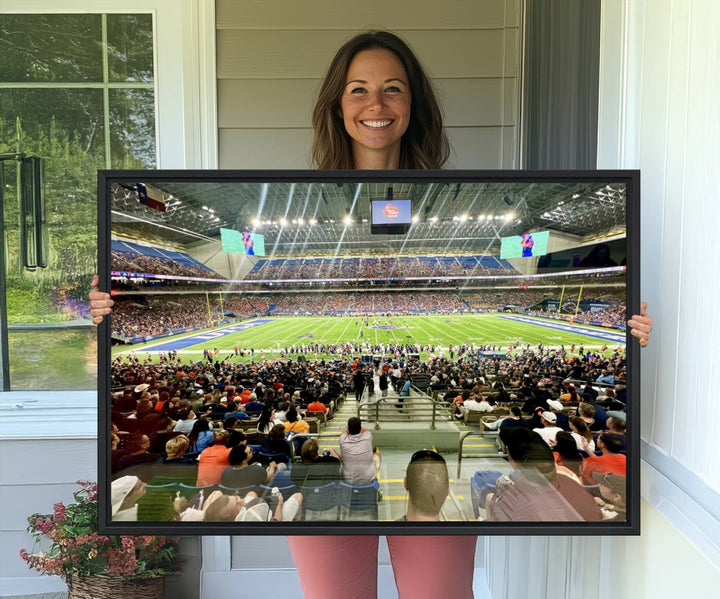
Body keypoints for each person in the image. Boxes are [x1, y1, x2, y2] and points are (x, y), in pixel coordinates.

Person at [89, 28, 653, 599]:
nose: (375, 104)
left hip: (380, 487)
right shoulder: (290, 198)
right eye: (358, 89)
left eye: (393, 89)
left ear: (414, 105)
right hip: (347, 487)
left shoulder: (464, 194)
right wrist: (104, 312)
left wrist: (633, 334)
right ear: (337, 105)